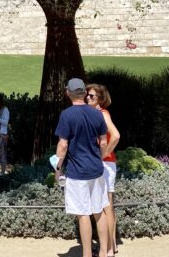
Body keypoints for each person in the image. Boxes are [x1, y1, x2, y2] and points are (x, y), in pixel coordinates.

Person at [55, 78, 110, 257]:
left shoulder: (67, 115)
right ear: (85, 93)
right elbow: (103, 142)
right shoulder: (97, 113)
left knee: (82, 214)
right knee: (99, 211)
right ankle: (103, 252)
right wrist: (98, 158)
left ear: (68, 93)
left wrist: (57, 168)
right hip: (96, 169)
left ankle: (86, 254)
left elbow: (63, 145)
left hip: (77, 172)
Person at [87, 84, 121, 257]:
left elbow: (115, 135)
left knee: (105, 206)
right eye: (87, 95)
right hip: (106, 163)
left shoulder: (102, 114)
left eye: (92, 96)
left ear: (100, 99)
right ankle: (110, 246)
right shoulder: (97, 114)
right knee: (108, 205)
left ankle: (107, 249)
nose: (88, 98)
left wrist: (104, 154)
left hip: (106, 164)